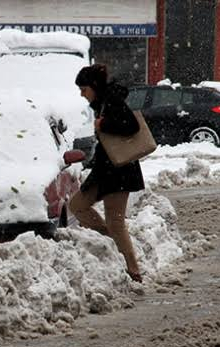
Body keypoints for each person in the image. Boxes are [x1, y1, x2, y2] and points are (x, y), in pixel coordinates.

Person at [69, 64, 145, 283]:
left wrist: (104, 124)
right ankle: (111, 243)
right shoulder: (102, 103)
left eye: (84, 89)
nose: (82, 94)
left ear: (94, 86)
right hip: (105, 170)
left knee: (116, 221)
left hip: (119, 172)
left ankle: (133, 270)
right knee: (77, 206)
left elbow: (131, 126)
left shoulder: (112, 100)